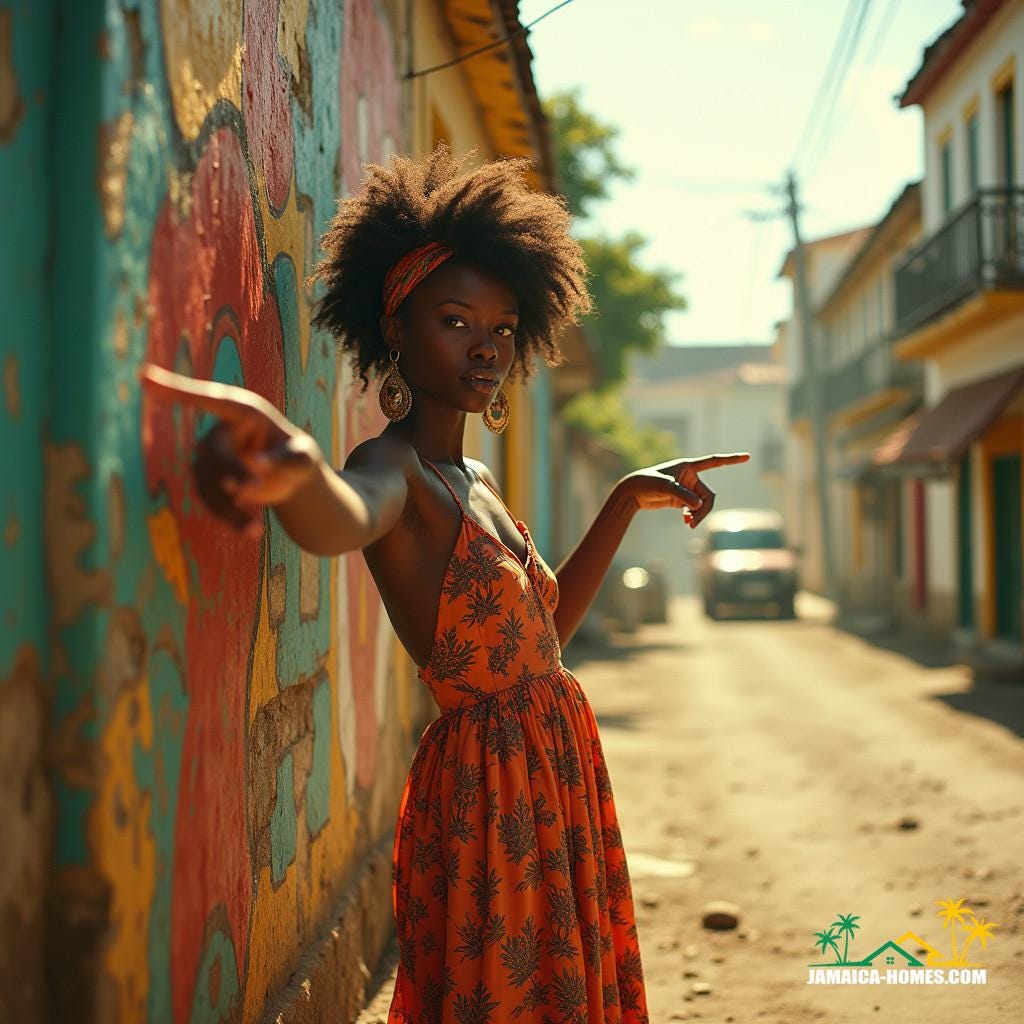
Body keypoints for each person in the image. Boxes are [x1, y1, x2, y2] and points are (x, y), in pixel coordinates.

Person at [139, 145, 749, 1024]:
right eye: (457, 321)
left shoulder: (478, 482)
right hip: (489, 799)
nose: (487, 347)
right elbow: (341, 518)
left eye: (503, 328)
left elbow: (542, 644)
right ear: (398, 327)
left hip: (555, 776)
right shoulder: (393, 471)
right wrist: (297, 468)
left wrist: (621, 500)